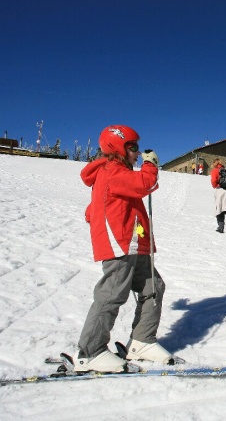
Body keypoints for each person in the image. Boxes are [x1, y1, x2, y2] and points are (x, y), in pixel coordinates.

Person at [76, 125, 175, 373]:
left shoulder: (117, 171)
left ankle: (142, 342)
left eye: (138, 148)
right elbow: (145, 183)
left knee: (153, 286)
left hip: (132, 241)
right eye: (132, 148)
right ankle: (90, 352)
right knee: (112, 293)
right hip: (118, 243)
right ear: (117, 148)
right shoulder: (111, 170)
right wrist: (151, 165)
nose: (137, 153)